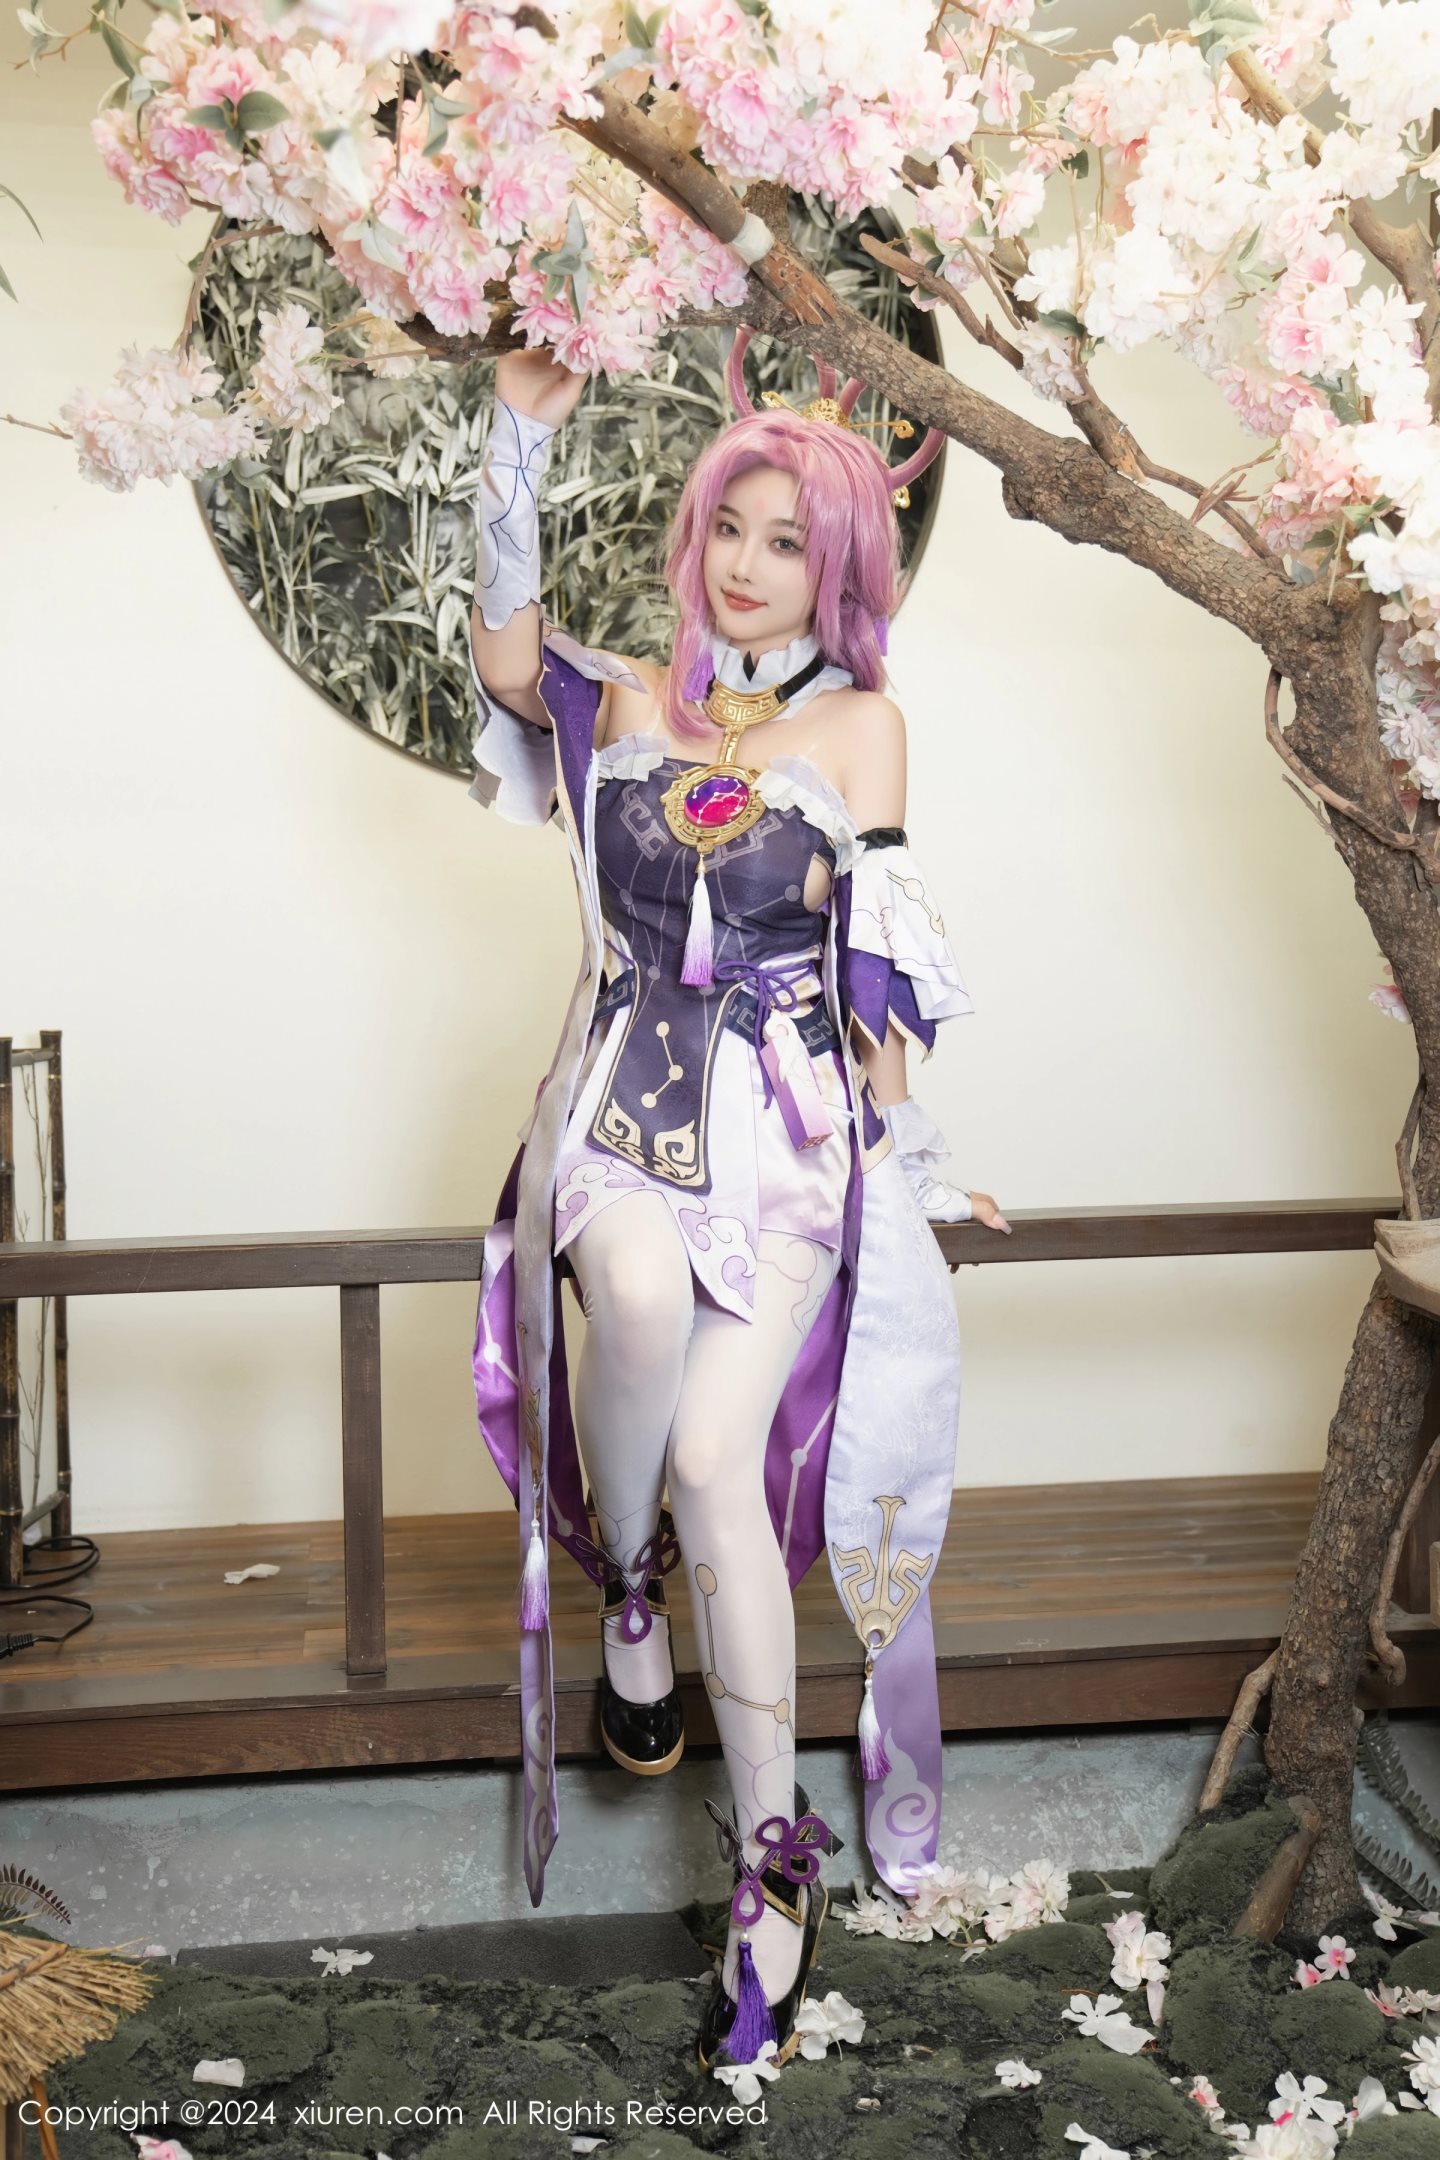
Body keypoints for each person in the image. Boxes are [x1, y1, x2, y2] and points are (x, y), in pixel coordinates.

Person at [467, 336, 1010, 2072]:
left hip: (783, 1135)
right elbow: (500, 656)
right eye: (731, 529)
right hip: (624, 1102)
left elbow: (876, 964)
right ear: (694, 538)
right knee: (628, 1298)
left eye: (790, 540)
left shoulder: (864, 731)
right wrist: (515, 438)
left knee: (718, 1456)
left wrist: (911, 1160)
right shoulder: (632, 705)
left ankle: (773, 1868)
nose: (750, 563)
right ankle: (627, 1587)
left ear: (839, 571)